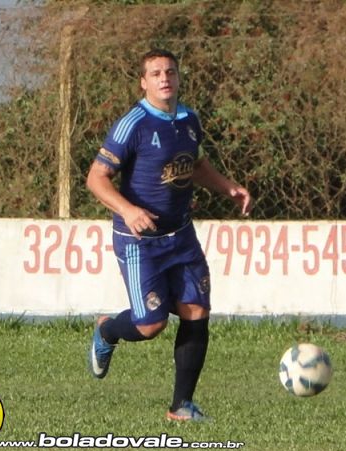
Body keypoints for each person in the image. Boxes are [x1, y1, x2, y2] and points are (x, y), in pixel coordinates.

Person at [86, 48, 252, 422]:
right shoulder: (132, 124)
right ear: (143, 82)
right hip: (139, 242)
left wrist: (227, 187)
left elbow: (195, 164)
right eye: (156, 73)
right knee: (150, 325)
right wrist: (128, 210)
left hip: (181, 236)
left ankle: (181, 406)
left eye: (171, 72)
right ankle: (107, 330)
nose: (165, 78)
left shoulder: (189, 119)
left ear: (178, 77)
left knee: (196, 310)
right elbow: (96, 178)